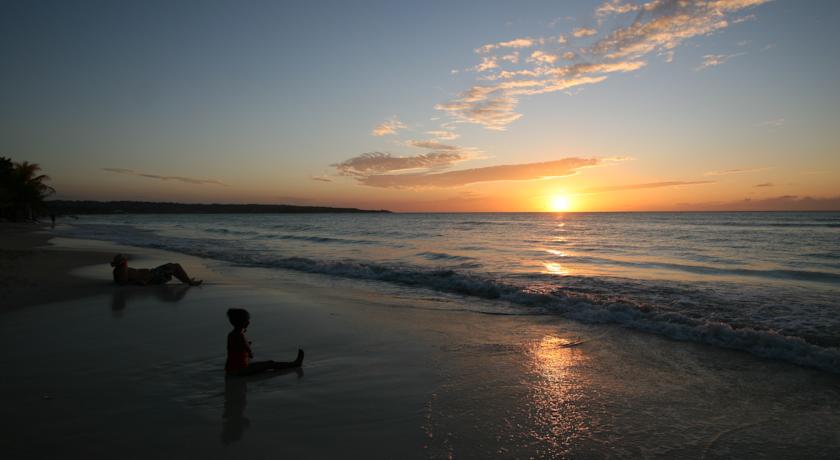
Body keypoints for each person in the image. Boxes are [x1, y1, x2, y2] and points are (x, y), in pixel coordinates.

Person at [225, 308, 304, 376]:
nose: (249, 322)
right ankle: (295, 364)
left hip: (231, 369)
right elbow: (250, 353)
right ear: (242, 322)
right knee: (270, 364)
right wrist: (248, 347)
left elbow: (233, 349)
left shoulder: (231, 334)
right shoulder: (240, 336)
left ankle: (293, 364)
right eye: (247, 320)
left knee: (266, 364)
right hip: (240, 370)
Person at [110, 254, 202, 286]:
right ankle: (190, 282)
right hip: (153, 276)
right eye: (125, 261)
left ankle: (187, 280)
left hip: (153, 273)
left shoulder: (117, 270)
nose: (126, 262)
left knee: (173, 267)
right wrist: (143, 281)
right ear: (123, 262)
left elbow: (119, 282)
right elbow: (125, 282)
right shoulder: (123, 271)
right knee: (175, 266)